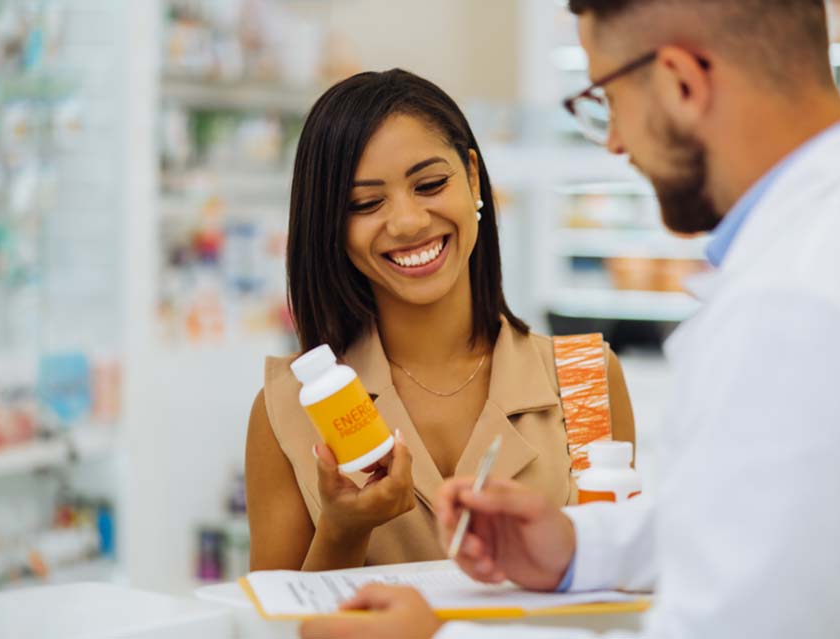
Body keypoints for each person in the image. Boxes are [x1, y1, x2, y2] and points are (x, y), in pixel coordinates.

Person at [298, 0, 840, 637]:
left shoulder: (802, 303)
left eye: (606, 99)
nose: (614, 141)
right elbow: (791, 525)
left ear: (681, 82)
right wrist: (584, 547)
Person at [245, 69, 636, 573]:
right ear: (330, 226)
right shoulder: (286, 410)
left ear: (473, 177)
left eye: (429, 184)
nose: (408, 222)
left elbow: (617, 586)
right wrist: (344, 531)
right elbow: (274, 626)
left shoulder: (587, 378)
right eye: (366, 203)